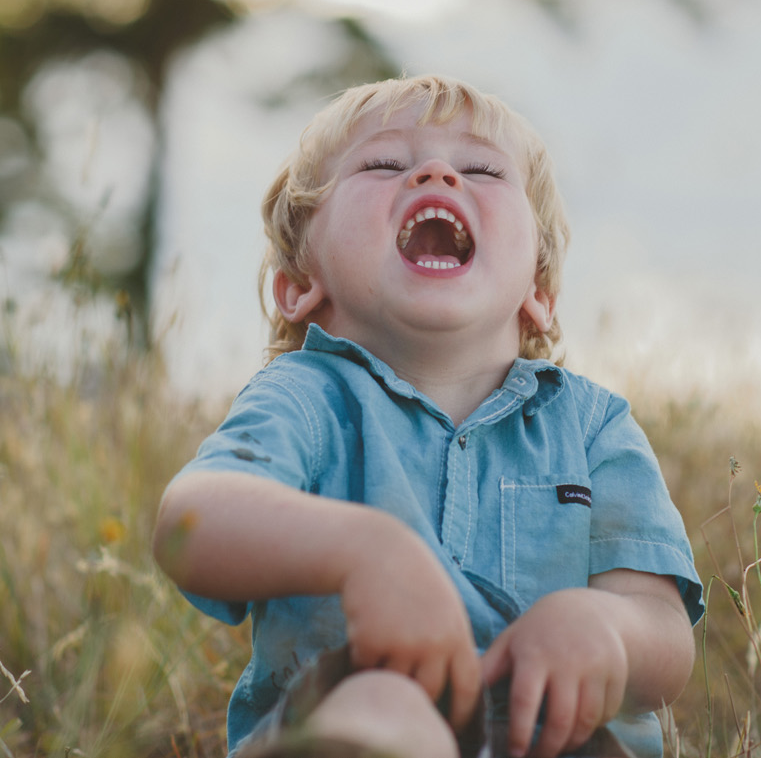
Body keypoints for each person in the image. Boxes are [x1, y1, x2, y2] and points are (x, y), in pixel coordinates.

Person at [153, 75, 704, 758]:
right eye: (385, 163)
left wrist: (605, 628)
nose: (437, 173)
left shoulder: (592, 427)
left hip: (553, 732)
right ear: (299, 285)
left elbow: (665, 633)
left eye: (481, 168)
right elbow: (188, 523)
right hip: (371, 714)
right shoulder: (305, 397)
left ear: (538, 291)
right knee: (381, 699)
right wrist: (364, 552)